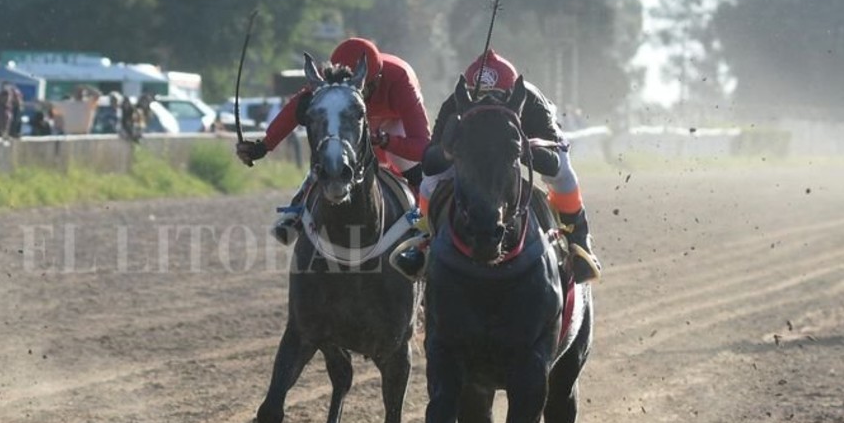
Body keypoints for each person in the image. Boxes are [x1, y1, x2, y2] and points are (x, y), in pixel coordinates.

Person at [236, 37, 432, 277]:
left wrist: (386, 140)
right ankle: (297, 211)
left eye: (365, 88)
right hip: (351, 120)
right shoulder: (331, 78)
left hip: (392, 123)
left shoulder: (400, 79)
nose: (361, 94)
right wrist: (263, 146)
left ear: (377, 80)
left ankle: (425, 234)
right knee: (332, 156)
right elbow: (295, 109)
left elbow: (424, 146)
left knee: (415, 170)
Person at [422, 49, 601, 283]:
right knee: (429, 181)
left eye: (495, 96)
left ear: (512, 95)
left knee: (563, 175)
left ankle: (579, 239)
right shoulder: (454, 104)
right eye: (480, 97)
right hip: (476, 151)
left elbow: (553, 162)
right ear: (468, 96)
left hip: (529, 139)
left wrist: (519, 148)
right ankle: (422, 240)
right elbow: (428, 161)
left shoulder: (533, 102)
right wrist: (448, 150)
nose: (487, 104)